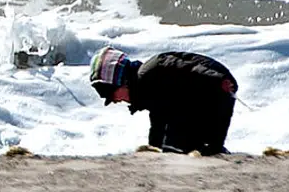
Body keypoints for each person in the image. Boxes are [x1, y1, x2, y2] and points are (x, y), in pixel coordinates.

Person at [89, 46, 238, 155]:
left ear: (121, 80)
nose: (114, 100)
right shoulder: (144, 88)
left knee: (181, 145)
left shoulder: (151, 71)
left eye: (110, 93)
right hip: (209, 94)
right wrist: (154, 146)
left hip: (217, 88)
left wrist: (217, 79)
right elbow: (158, 118)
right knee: (203, 148)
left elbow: (187, 68)